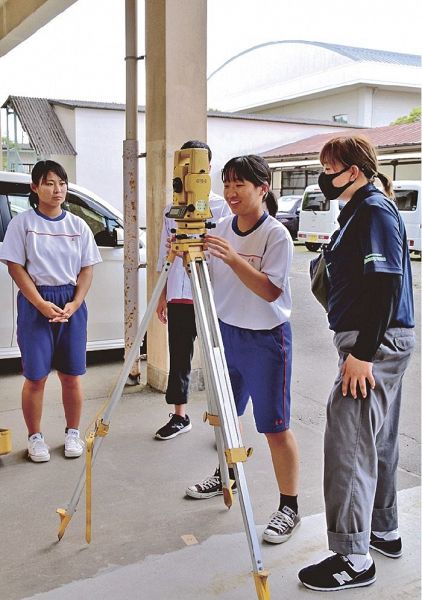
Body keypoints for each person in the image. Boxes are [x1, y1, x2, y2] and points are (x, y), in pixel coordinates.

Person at [298, 135, 415, 591]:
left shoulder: (373, 211)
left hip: (374, 345)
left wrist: (362, 354)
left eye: (332, 167)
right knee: (377, 437)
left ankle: (352, 557)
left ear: (356, 169)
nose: (325, 175)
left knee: (348, 444)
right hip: (381, 340)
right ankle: (383, 530)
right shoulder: (359, 210)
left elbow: (385, 284)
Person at [185, 154, 301, 545]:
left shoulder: (275, 235)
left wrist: (233, 258)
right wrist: (189, 256)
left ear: (262, 189)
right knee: (225, 417)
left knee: (274, 427)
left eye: (240, 185)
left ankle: (289, 506)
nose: (231, 192)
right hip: (226, 334)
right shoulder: (220, 227)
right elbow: (206, 277)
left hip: (267, 340)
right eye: (227, 184)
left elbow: (271, 290)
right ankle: (226, 471)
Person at [0, 160, 102, 463]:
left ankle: (73, 433)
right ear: (35, 188)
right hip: (36, 303)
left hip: (71, 303)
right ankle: (35, 437)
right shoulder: (23, 224)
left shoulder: (77, 225)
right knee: (36, 377)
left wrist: (76, 302)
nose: (57, 189)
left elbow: (86, 270)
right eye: (48, 183)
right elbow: (16, 268)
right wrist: (41, 304)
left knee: (72, 375)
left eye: (61, 183)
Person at [154, 140, 231, 440]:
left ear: (208, 167)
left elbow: (226, 253)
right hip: (178, 293)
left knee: (218, 356)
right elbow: (165, 252)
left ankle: (226, 420)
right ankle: (179, 415)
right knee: (180, 355)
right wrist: (161, 295)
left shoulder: (222, 207)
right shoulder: (170, 209)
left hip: (211, 293)